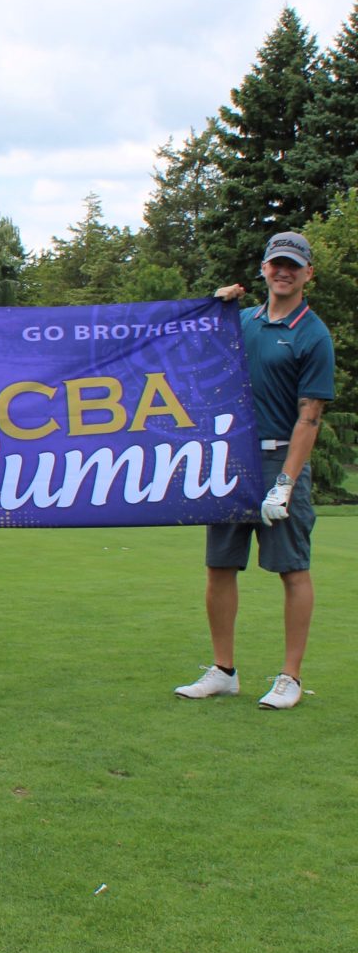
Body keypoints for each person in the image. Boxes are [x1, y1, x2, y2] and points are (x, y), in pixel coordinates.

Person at [175, 231, 334, 710]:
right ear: (264, 269)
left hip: (278, 458)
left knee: (292, 570)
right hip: (231, 460)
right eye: (275, 264)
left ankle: (290, 677)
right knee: (220, 565)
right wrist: (213, 308)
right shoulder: (239, 322)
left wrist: (286, 482)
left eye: (293, 266)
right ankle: (224, 670)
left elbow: (310, 416)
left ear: (307, 274)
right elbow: (186, 349)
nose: (282, 272)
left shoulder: (313, 334)